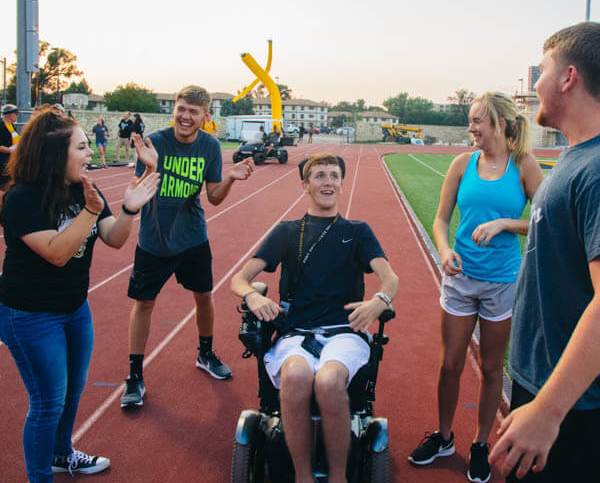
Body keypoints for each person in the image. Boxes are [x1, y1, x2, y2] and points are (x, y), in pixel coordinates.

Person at [0, 108, 159, 483]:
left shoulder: (84, 187)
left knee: (73, 389)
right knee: (46, 403)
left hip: (73, 308)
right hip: (30, 315)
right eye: (82, 147)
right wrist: (90, 211)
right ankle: (40, 476)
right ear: (56, 154)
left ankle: (61, 454)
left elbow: (115, 239)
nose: (90, 155)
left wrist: (130, 208)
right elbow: (57, 253)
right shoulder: (21, 197)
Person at [231, 153, 398, 483]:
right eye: (319, 176)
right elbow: (240, 279)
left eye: (334, 175)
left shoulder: (358, 231)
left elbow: (390, 278)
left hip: (344, 332)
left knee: (328, 381)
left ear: (341, 183)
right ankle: (303, 477)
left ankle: (338, 477)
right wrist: (252, 295)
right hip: (298, 332)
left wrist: (378, 302)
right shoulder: (287, 232)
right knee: (295, 378)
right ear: (305, 185)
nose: (328, 182)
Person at [408, 92, 543, 483]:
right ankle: (445, 437)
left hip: (501, 281)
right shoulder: (460, 163)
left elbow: (544, 220)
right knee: (449, 365)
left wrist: (504, 224)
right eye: (470, 120)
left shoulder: (523, 165)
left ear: (500, 124)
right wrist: (445, 249)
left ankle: (480, 443)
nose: (471, 128)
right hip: (460, 279)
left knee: (489, 368)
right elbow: (440, 219)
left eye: (476, 121)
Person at [489, 22, 600, 481]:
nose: (535, 84)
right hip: (545, 386)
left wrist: (548, 411)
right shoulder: (574, 159)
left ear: (568, 78)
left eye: (542, 70)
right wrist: (527, 391)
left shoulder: (594, 170)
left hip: (574, 409)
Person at [120, 85, 254, 408]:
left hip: (193, 237)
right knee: (144, 304)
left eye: (193, 111)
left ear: (205, 116)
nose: (185, 116)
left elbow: (214, 197)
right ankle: (135, 375)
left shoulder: (209, 146)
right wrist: (151, 167)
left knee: (204, 297)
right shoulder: (155, 142)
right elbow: (137, 193)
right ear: (174, 109)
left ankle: (205, 354)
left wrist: (232, 178)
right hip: (154, 239)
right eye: (181, 109)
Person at [0, 104, 20, 192]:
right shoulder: (1, 126)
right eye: (16, 114)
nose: (17, 116)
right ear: (9, 115)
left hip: (12, 159)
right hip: (3, 161)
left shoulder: (12, 126)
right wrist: (10, 150)